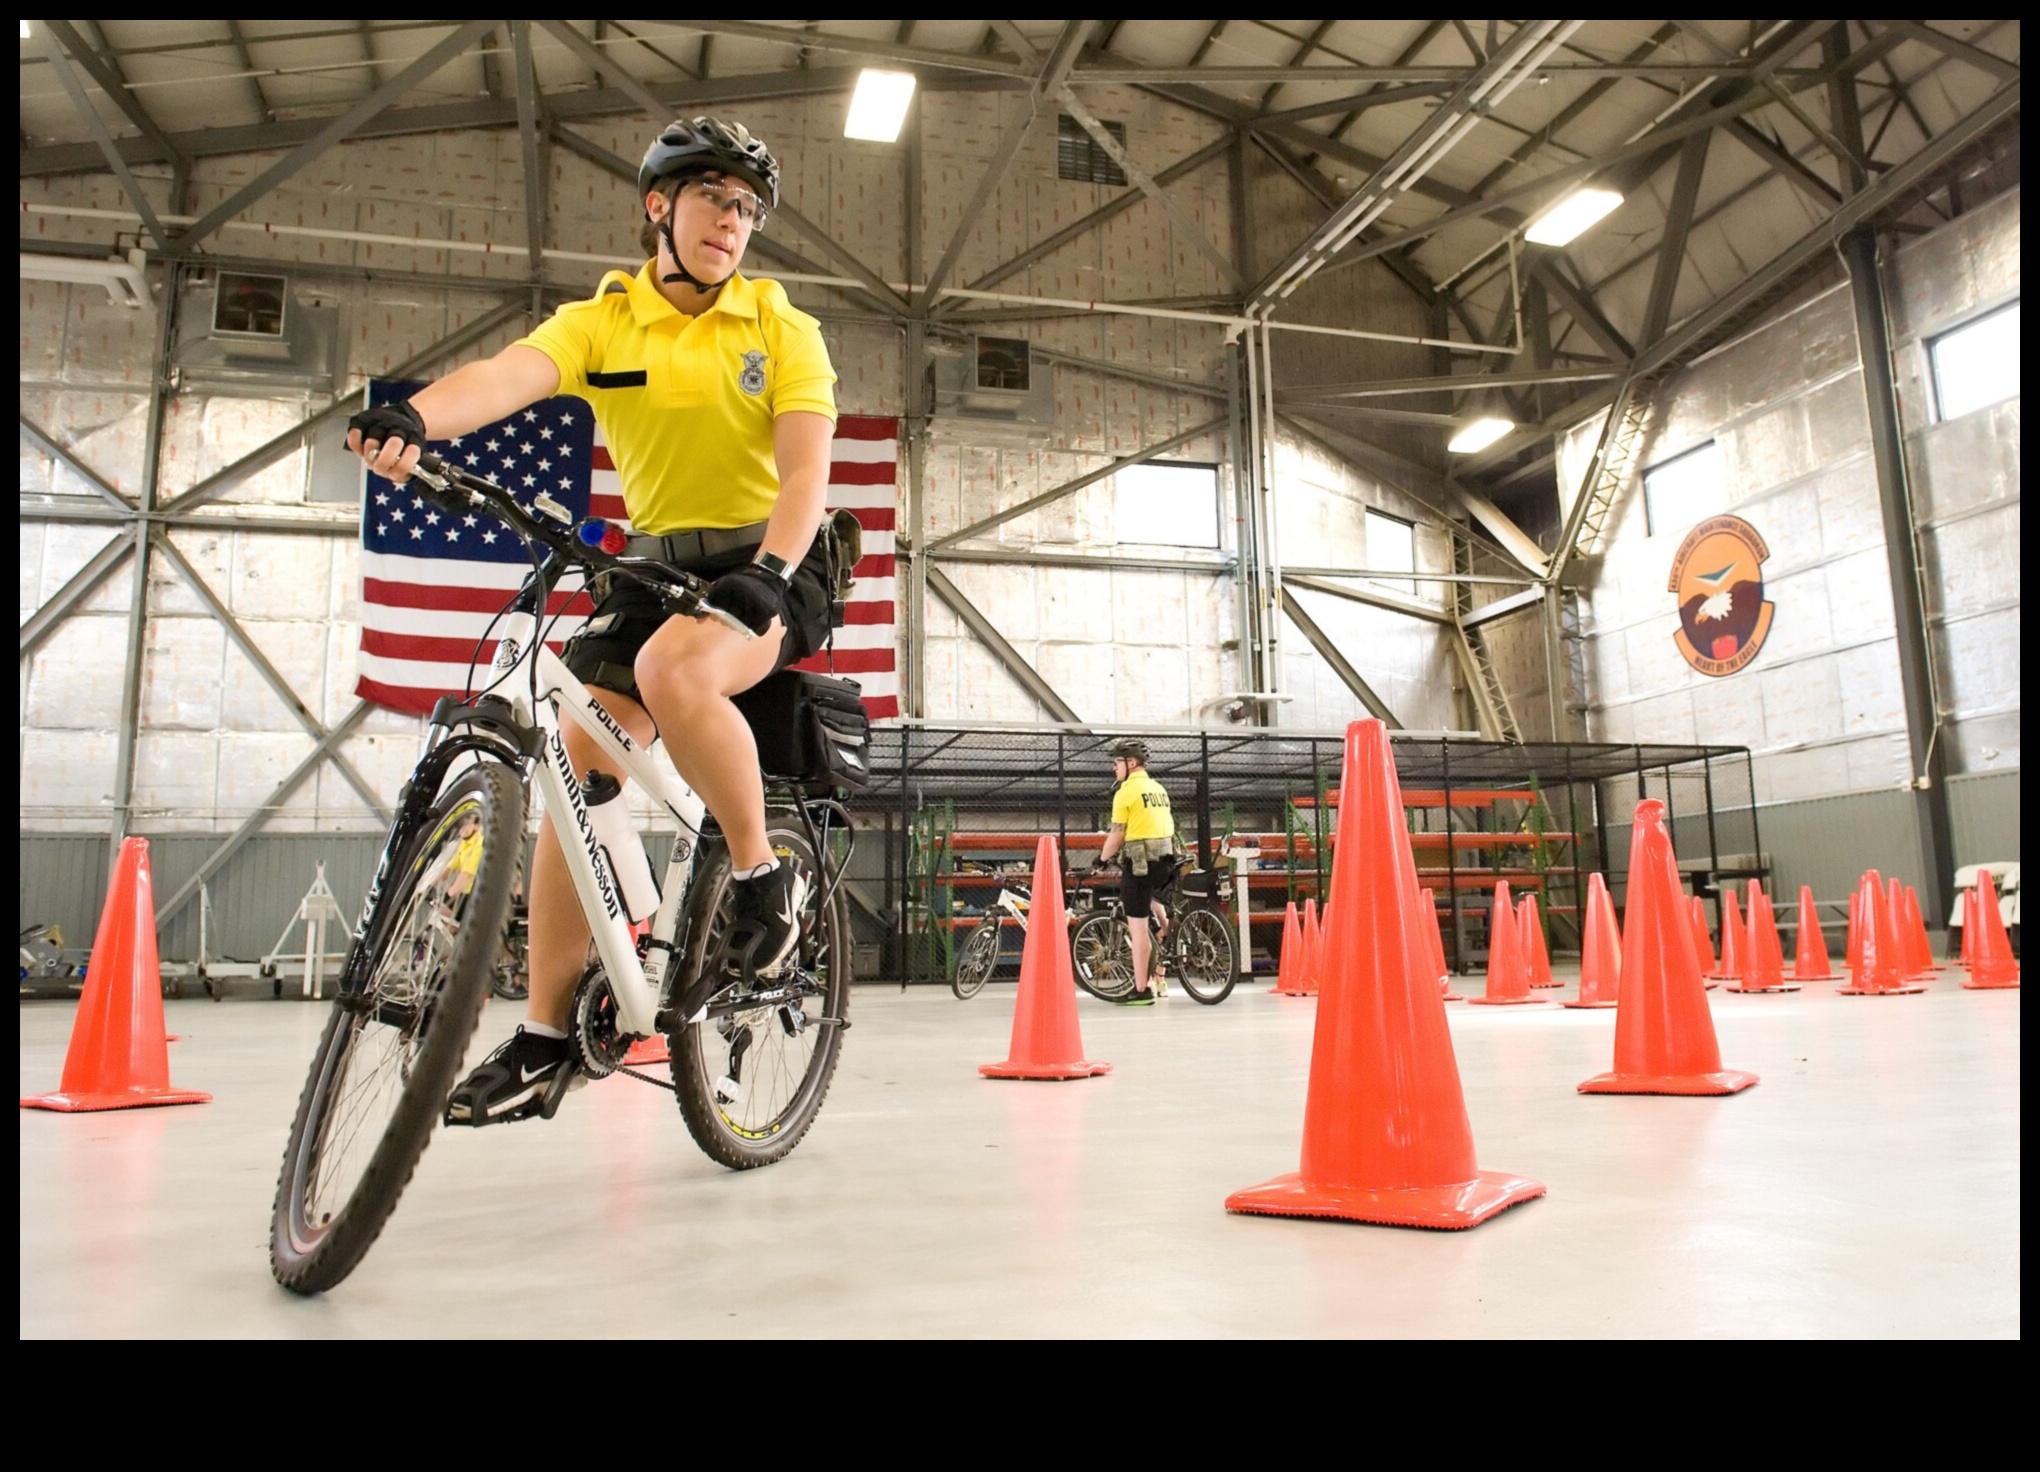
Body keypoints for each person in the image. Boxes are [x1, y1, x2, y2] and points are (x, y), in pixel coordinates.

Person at [346, 117, 839, 1124]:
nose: (731, 222)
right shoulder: (603, 322)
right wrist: (415, 420)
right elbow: (503, 379)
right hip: (656, 567)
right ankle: (547, 1033)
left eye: (747, 208)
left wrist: (773, 574)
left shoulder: (778, 324)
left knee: (677, 675)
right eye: (713, 197)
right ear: (659, 205)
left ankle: (761, 879)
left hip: (773, 555)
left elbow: (805, 475)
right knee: (575, 760)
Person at [1095, 738, 1181, 1005]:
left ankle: (1142, 989)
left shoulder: (1125, 792)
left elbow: (1118, 833)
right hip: (1167, 862)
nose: (1114, 768)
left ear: (1130, 763)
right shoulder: (1158, 788)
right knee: (1156, 905)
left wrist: (1100, 859)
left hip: (1141, 865)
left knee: (1138, 927)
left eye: (1117, 762)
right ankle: (1170, 935)